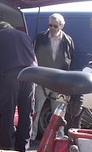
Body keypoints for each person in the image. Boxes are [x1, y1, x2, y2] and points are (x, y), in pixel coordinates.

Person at [0, 21, 36, 152]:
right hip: (31, 74)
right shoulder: (24, 36)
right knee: (26, 112)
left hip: (11, 75)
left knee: (7, 111)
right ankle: (23, 149)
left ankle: (5, 148)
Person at [31, 13, 74, 141]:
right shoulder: (40, 38)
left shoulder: (68, 40)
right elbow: (33, 57)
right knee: (36, 110)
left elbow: (71, 60)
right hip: (42, 80)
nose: (52, 28)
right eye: (50, 25)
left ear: (62, 26)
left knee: (60, 111)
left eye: (55, 26)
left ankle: (59, 137)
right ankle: (31, 137)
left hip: (60, 81)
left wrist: (68, 81)